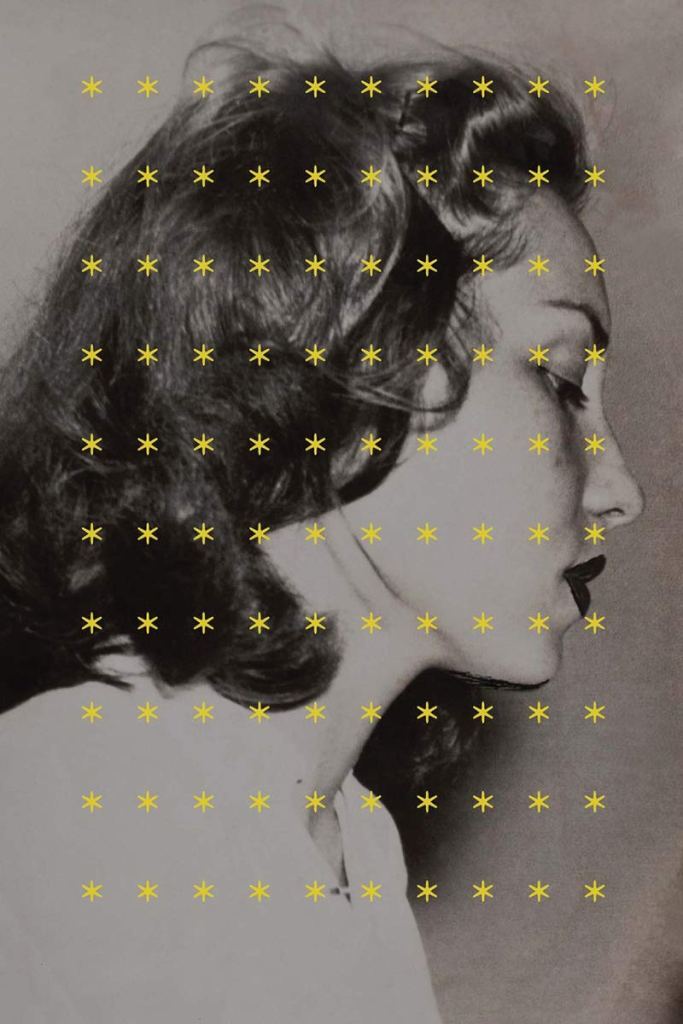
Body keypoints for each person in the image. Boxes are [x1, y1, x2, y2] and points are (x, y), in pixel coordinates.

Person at [0, 17, 644, 1024]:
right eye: (562, 380)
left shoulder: (349, 842)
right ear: (348, 358)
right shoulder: (83, 797)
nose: (619, 490)